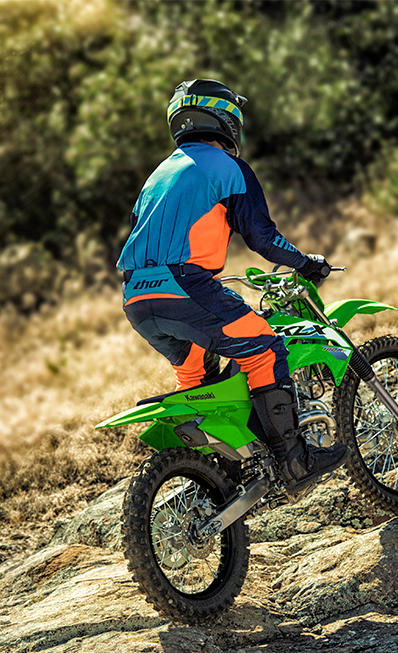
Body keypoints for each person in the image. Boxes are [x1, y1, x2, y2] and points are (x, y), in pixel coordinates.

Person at [118, 78, 348, 492]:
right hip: (186, 289)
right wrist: (305, 262)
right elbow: (262, 238)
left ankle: (216, 478)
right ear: (226, 117)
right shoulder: (228, 168)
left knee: (196, 379)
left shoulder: (157, 175)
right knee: (265, 348)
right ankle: (295, 463)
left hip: (137, 298)